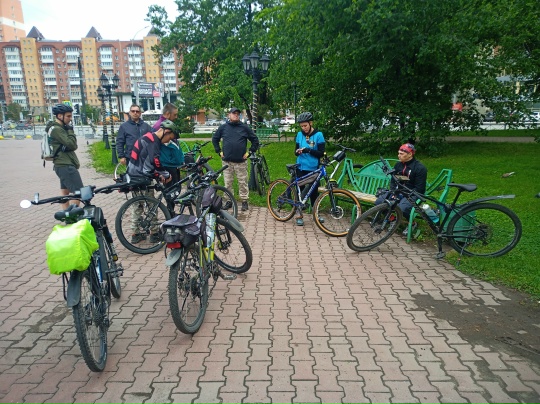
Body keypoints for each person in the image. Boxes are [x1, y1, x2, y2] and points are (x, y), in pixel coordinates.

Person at [126, 120, 178, 244]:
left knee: (137, 206)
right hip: (141, 177)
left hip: (133, 175)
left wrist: (157, 174)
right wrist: (165, 174)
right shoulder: (153, 141)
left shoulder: (147, 137)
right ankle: (154, 233)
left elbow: (147, 162)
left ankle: (135, 233)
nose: (168, 141)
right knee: (151, 205)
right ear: (166, 131)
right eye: (170, 138)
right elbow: (155, 161)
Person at [375, 143, 428, 236]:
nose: (398, 155)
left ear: (410, 154)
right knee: (379, 202)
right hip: (397, 191)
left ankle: (412, 224)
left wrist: (406, 195)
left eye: (401, 154)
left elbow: (420, 188)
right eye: (398, 153)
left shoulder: (420, 168)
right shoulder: (398, 165)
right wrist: (393, 192)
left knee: (402, 208)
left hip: (412, 194)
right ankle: (393, 220)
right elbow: (393, 180)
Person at [212, 107, 259, 211]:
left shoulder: (244, 128)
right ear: (229, 115)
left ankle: (244, 201)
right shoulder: (223, 127)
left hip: (240, 162)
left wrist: (250, 152)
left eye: (238, 114)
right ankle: (229, 201)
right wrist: (219, 151)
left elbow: (255, 140)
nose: (236, 115)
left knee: (242, 182)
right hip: (227, 161)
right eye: (234, 113)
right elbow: (215, 139)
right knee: (228, 183)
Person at [46, 104, 84, 209]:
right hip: (65, 165)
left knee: (65, 192)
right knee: (79, 192)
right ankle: (72, 215)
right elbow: (72, 144)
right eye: (68, 116)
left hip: (61, 164)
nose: (70, 119)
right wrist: (70, 131)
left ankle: (66, 214)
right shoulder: (57, 129)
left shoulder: (56, 128)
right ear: (59, 116)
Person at [293, 111, 326, 226]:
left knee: (313, 192)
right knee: (300, 191)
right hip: (301, 166)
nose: (304, 128)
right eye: (301, 126)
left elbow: (321, 153)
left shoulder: (319, 135)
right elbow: (295, 151)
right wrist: (298, 151)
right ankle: (299, 214)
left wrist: (308, 150)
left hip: (313, 168)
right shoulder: (299, 135)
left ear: (310, 123)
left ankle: (315, 213)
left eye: (305, 125)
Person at [151, 103, 183, 183]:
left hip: (173, 163)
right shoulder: (159, 127)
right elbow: (155, 148)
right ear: (168, 114)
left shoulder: (168, 124)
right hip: (167, 164)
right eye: (175, 114)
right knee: (172, 188)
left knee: (176, 187)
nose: (176, 117)